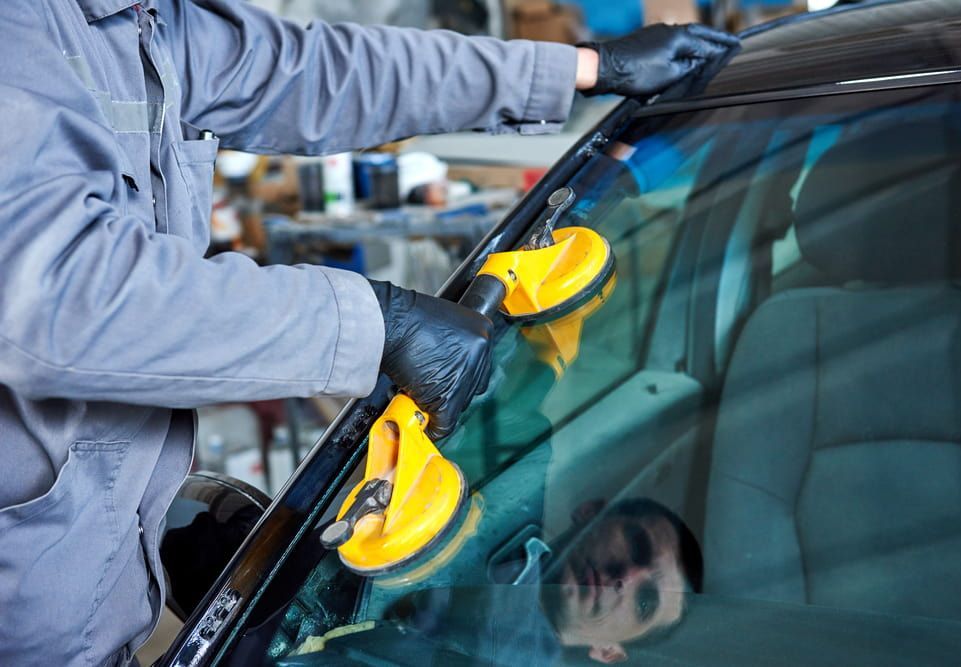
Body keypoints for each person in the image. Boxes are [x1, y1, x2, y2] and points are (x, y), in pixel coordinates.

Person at [0, 1, 737, 664]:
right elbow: (57, 295)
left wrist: (582, 68)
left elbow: (318, 71)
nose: (625, 576)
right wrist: (375, 320)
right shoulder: (27, 28)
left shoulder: (148, 21)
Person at [381, 497, 702, 665]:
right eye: (637, 544)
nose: (625, 578)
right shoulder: (512, 484)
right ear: (592, 511)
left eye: (644, 601)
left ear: (609, 652)